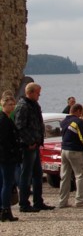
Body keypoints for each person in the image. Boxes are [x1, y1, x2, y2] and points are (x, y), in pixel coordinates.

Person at [14, 82, 54, 212]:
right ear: (30, 92)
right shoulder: (23, 106)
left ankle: (38, 201)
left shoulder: (34, 105)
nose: (39, 95)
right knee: (26, 175)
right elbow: (20, 127)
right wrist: (29, 142)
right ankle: (24, 204)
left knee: (37, 174)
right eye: (37, 93)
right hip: (27, 146)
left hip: (35, 144)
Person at [58, 103, 83, 208]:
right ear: (78, 111)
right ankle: (80, 200)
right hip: (75, 150)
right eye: (81, 112)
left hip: (64, 150)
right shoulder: (78, 122)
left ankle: (62, 201)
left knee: (65, 176)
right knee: (81, 175)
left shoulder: (64, 121)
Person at [0, 94, 21, 222]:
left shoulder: (7, 119)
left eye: (13, 104)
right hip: (6, 157)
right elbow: (3, 140)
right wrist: (13, 151)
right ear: (3, 105)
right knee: (7, 183)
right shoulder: (3, 120)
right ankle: (6, 209)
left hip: (6, 156)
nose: (12, 107)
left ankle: (4, 209)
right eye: (9, 104)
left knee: (4, 183)